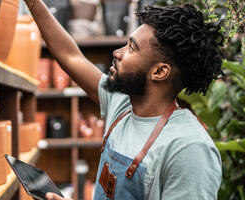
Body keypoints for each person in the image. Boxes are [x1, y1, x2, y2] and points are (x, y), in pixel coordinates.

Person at [23, 0, 224, 199]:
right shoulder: (122, 105)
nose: (117, 53)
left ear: (160, 71)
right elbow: (70, 56)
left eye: (131, 48)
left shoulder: (189, 149)